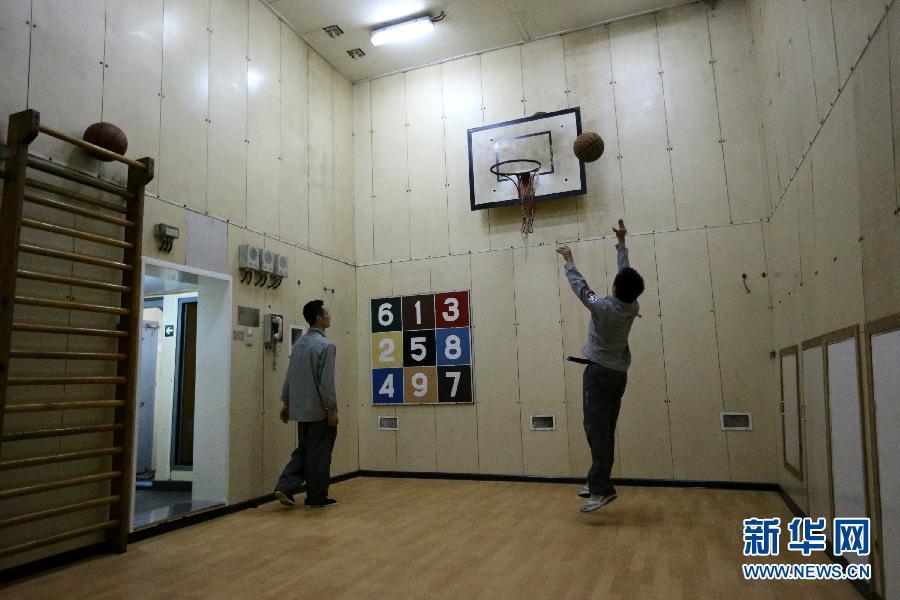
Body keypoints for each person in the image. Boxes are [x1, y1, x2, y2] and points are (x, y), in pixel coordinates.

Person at [557, 219, 645, 513]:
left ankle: (601, 488)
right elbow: (625, 274)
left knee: (597, 430)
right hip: (618, 375)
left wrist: (569, 261)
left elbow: (582, 289)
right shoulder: (632, 306)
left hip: (599, 375)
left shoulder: (603, 307)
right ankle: (597, 478)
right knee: (603, 429)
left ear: (616, 289)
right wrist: (621, 245)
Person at [274, 300, 340, 508]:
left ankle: (285, 485)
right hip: (319, 410)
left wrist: (286, 403)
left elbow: (290, 375)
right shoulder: (327, 346)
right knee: (319, 455)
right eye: (327, 312)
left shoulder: (299, 344)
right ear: (319, 318)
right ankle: (316, 497)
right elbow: (326, 383)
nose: (329, 315)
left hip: (300, 409)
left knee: (304, 450)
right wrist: (332, 409)